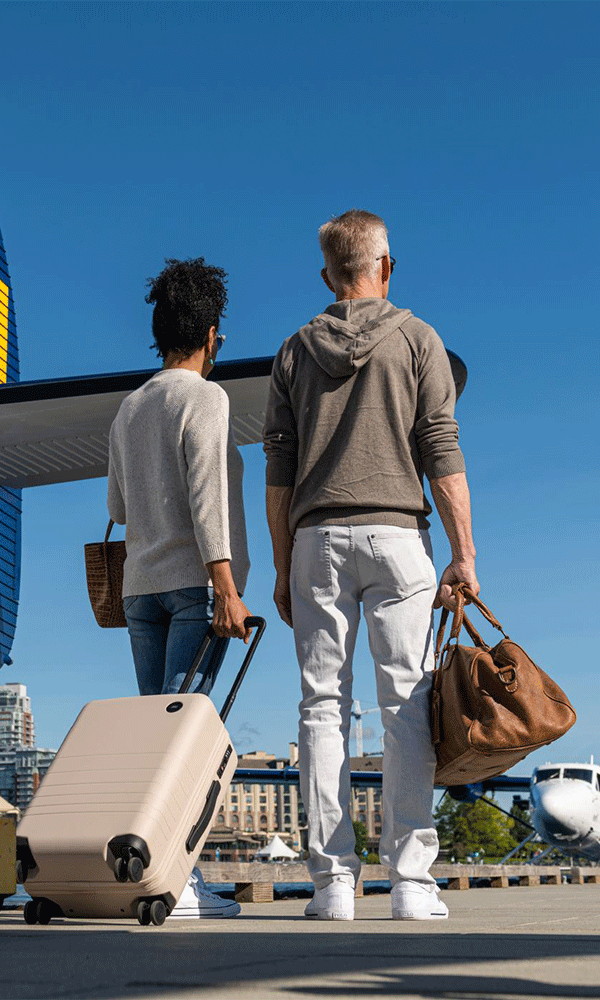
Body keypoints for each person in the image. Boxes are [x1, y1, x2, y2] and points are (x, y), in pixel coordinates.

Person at [264, 210, 479, 921]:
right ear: (386, 265)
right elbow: (441, 452)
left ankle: (332, 884)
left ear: (328, 275)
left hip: (317, 540)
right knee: (407, 703)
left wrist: (281, 563)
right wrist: (464, 555)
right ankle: (412, 884)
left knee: (321, 708)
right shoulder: (419, 339)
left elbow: (279, 472)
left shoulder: (294, 350)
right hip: (397, 537)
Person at [108, 257, 251, 919]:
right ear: (212, 334)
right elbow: (209, 500)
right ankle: (178, 882)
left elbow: (118, 505)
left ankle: (156, 873)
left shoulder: (129, 409)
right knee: (184, 745)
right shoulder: (206, 399)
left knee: (153, 743)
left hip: (141, 590)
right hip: (197, 586)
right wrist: (226, 587)